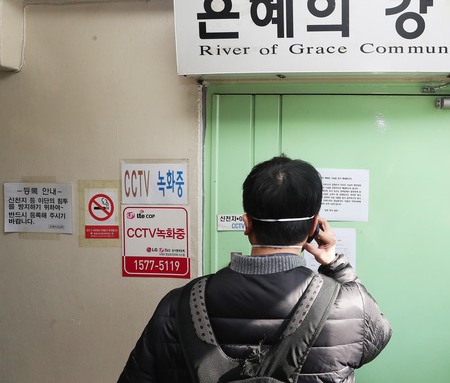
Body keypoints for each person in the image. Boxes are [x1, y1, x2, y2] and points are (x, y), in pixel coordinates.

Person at [118, 156, 392, 383]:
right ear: (313, 228)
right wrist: (336, 265)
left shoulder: (176, 304)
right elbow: (379, 336)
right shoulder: (350, 305)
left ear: (246, 224)